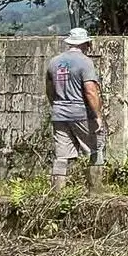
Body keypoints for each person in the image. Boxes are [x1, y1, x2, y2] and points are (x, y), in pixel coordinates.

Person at [46, 27, 105, 192]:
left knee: (61, 157)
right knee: (95, 149)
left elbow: (49, 90)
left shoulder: (54, 62)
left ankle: (57, 195)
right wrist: (97, 116)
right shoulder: (85, 62)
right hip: (81, 114)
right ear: (85, 43)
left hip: (59, 114)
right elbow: (90, 91)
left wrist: (57, 107)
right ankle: (96, 192)